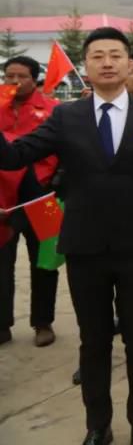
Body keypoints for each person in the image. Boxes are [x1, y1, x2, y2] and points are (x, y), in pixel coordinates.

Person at [0, 27, 133, 445]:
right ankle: (98, 426)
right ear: (86, 65)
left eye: (115, 55)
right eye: (98, 56)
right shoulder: (66, 117)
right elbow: (15, 155)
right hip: (85, 247)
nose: (107, 62)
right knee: (93, 340)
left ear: (129, 64)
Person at [0, 55, 59, 347]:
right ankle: (2, 324)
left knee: (45, 261)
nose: (14, 81)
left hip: (43, 196)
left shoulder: (54, 110)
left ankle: (43, 322)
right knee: (2, 261)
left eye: (21, 76)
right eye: (9, 76)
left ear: (34, 79)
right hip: (3, 196)